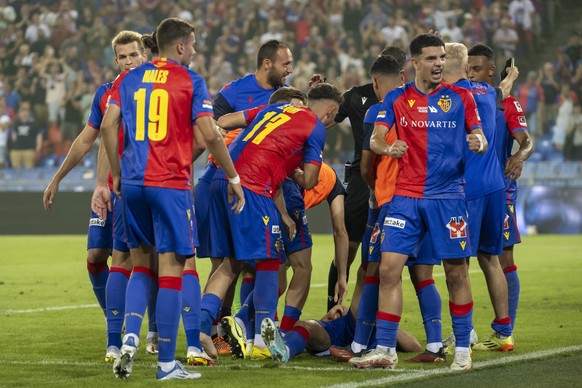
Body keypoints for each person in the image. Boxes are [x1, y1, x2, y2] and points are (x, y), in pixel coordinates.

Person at [101, 17, 244, 381]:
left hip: (132, 185)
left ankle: (127, 338)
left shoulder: (129, 78)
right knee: (172, 270)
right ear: (180, 46)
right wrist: (233, 176)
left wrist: (117, 173)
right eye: (193, 44)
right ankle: (166, 363)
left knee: (140, 264)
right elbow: (211, 135)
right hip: (169, 184)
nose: (195, 50)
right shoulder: (190, 80)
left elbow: (107, 126)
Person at [349, 33, 486, 371]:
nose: (439, 63)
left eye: (441, 58)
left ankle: (463, 352)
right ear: (414, 63)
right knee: (389, 269)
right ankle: (385, 348)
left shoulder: (460, 97)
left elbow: (479, 134)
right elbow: (378, 139)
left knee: (456, 274)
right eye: (431, 58)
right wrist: (387, 148)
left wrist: (478, 142)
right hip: (404, 198)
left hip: (447, 197)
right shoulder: (396, 98)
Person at [198, 83, 342, 361]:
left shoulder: (274, 108)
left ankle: (203, 328)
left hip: (220, 177)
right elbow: (311, 180)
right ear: (331, 111)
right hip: (253, 186)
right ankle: (263, 339)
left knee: (231, 263)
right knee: (269, 260)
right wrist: (298, 172)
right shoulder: (315, 126)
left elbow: (226, 121)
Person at [42, 30, 148, 363]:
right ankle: (114, 320)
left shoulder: (155, 89)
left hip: (143, 187)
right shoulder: (106, 93)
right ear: (114, 60)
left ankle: (139, 334)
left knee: (144, 262)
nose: (128, 61)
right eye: (122, 57)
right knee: (95, 256)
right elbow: (90, 139)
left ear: (144, 55)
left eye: (134, 55)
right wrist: (58, 178)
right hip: (111, 188)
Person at [194, 40, 294, 355]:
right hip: (235, 182)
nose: (290, 70)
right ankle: (219, 330)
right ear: (267, 63)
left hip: (257, 184)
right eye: (285, 64)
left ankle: (238, 330)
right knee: (230, 262)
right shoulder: (234, 93)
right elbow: (210, 128)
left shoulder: (285, 97)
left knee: (250, 262)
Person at [328, 55, 406, 361]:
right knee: (359, 255)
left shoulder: (397, 104)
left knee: (375, 263)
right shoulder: (356, 97)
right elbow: (329, 116)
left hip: (382, 185)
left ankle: (371, 336)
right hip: (370, 184)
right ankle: (343, 320)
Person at [443, 42, 518, 354]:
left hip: (467, 190)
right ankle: (504, 332)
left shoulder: (448, 98)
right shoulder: (488, 93)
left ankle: (466, 332)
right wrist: (511, 76)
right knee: (491, 259)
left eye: (438, 63)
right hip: (495, 187)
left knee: (456, 265)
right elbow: (501, 90)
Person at [467, 43, 534, 338]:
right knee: (466, 258)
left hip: (500, 189)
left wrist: (519, 156)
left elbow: (527, 140)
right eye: (468, 68)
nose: (471, 73)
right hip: (467, 189)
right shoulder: (463, 98)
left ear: (492, 71)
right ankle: (466, 331)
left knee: (500, 258)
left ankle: (506, 330)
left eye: (477, 69)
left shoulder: (506, 103)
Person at [260, 264, 422, 363]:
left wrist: (387, 325)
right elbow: (363, 275)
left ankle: (293, 345)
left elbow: (414, 346)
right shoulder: (366, 280)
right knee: (304, 325)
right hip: (342, 329)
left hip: (367, 339)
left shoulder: (387, 323)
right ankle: (285, 350)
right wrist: (327, 317)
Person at [9, 101, 42, 168]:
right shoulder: (16, 124)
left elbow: (39, 137)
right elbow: (13, 137)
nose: (24, 114)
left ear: (28, 113)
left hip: (29, 150)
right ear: (19, 114)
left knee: (29, 169)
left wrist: (38, 149)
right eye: (22, 112)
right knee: (15, 171)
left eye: (26, 112)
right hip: (16, 150)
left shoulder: (34, 124)